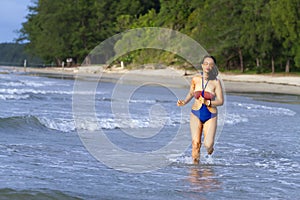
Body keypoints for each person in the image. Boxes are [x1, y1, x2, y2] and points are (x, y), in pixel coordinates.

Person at [177, 55, 224, 164]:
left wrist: (209, 102)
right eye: (206, 64)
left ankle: (210, 148)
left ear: (214, 67)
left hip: (210, 115)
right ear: (202, 66)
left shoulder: (216, 82)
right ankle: (196, 172)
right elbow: (191, 93)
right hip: (195, 113)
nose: (208, 66)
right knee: (196, 143)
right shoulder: (195, 79)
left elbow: (221, 101)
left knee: (207, 145)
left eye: (211, 64)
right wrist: (184, 101)